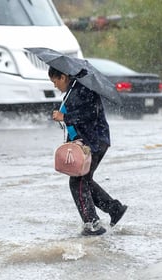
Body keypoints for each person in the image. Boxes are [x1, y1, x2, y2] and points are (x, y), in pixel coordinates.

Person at [49, 66, 127, 236]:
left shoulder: (81, 90)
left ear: (63, 77)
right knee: (85, 181)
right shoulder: (74, 90)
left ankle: (92, 225)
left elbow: (88, 116)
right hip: (93, 141)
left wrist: (65, 117)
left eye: (55, 81)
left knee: (77, 182)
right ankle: (114, 209)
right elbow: (80, 115)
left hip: (94, 142)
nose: (55, 86)